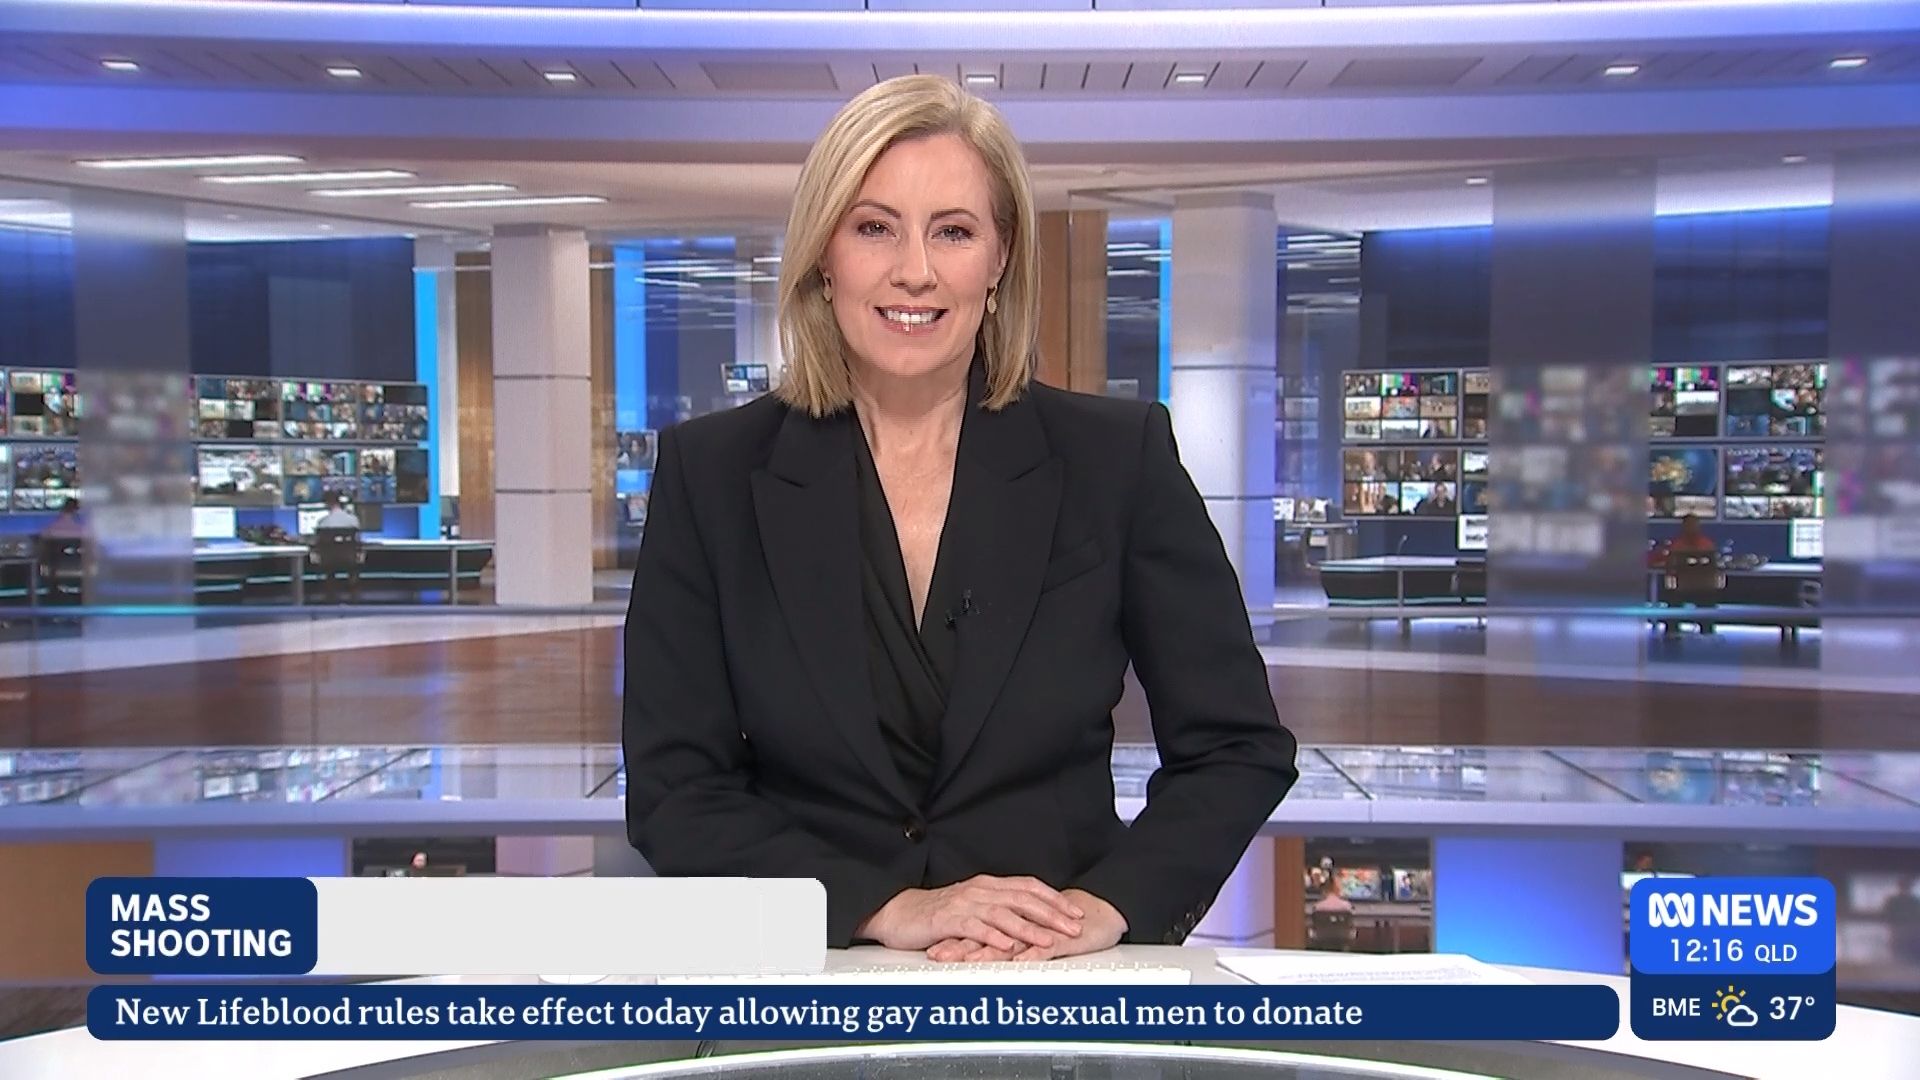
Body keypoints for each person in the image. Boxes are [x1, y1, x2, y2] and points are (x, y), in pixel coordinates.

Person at [623, 75, 1298, 963]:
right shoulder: (711, 475)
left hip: (1049, 981)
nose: (916, 270)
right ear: (824, 254)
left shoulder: (1113, 459)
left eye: (953, 231)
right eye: (874, 228)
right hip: (816, 977)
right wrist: (882, 907)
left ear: (1001, 256)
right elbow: (676, 788)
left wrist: (1111, 904)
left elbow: (1237, 744)